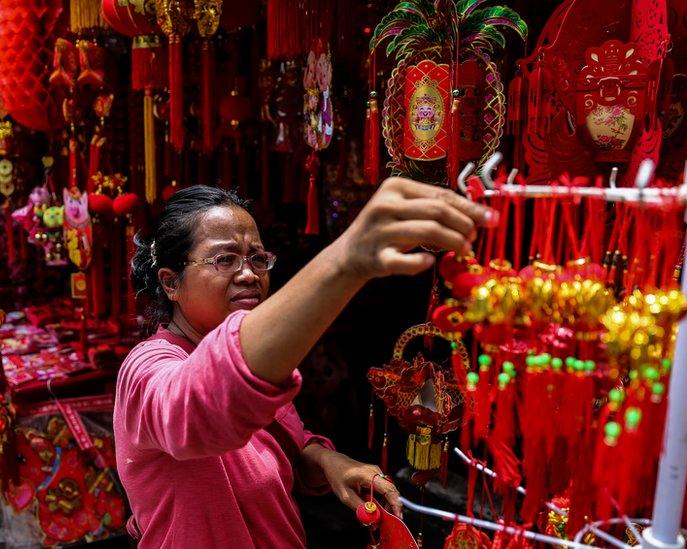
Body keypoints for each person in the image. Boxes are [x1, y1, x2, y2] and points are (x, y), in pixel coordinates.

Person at [115, 178, 496, 547]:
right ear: (170, 282)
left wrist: (326, 460)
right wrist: (343, 261)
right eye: (224, 259)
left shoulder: (263, 352)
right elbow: (202, 407)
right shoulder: (147, 367)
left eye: (258, 258)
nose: (249, 274)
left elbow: (276, 445)